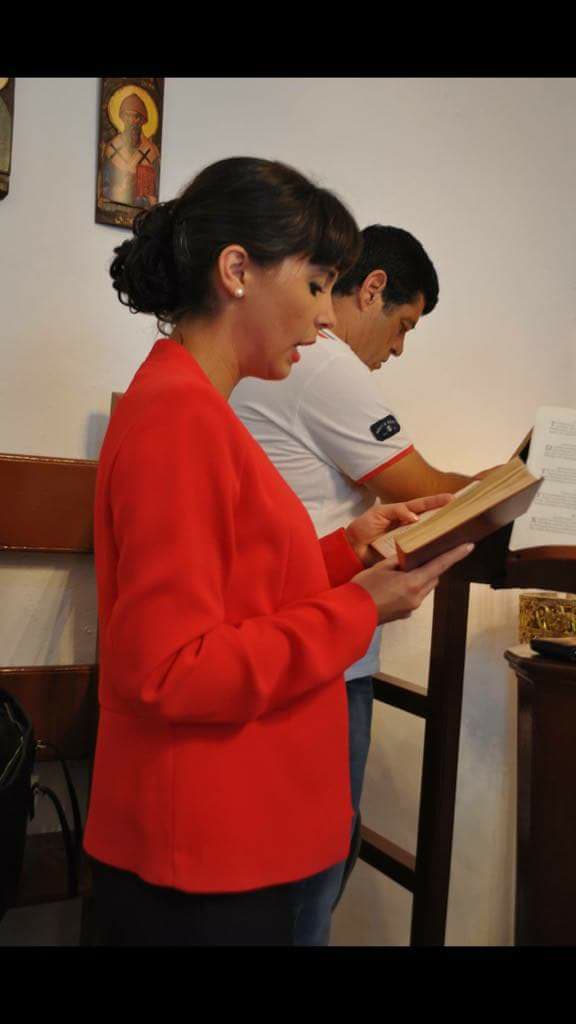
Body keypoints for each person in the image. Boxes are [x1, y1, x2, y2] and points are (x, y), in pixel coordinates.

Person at [83, 161, 473, 946]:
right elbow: (173, 669)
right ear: (237, 271)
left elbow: (236, 588)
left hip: (228, 834)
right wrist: (359, 608)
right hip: (204, 852)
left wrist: (348, 552)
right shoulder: (180, 419)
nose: (326, 317)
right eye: (317, 284)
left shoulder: (197, 407)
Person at [231, 224, 487, 945]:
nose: (398, 349)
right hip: (314, 649)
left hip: (292, 628)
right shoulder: (324, 362)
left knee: (306, 867)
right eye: (404, 326)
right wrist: (513, 484)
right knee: (308, 879)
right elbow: (423, 489)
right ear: (372, 289)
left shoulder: (293, 361)